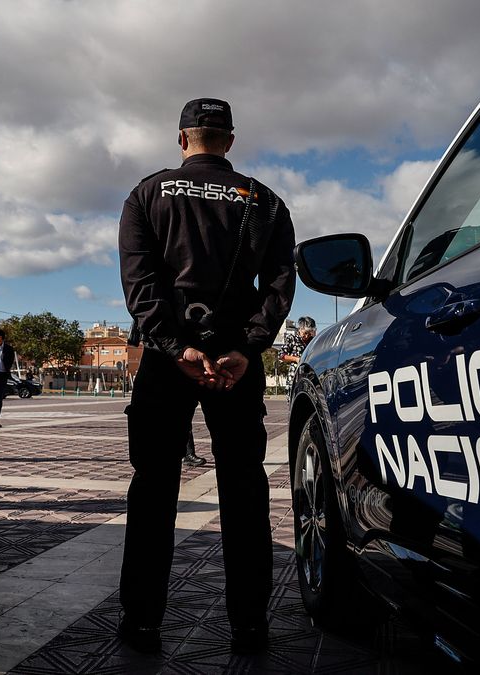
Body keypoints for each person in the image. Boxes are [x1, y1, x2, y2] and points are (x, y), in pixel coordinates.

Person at [117, 98, 296, 654]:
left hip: (169, 364)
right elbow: (280, 283)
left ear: (181, 139)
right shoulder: (262, 199)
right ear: (230, 140)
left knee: (153, 487)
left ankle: (142, 621)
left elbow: (140, 282)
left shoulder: (148, 193)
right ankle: (250, 623)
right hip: (235, 366)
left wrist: (173, 348)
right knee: (244, 487)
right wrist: (247, 347)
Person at [278, 315, 316, 389]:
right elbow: (281, 355)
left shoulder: (313, 341)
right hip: (295, 376)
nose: (307, 336)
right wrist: (296, 359)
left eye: (309, 333)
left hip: (309, 376)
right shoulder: (292, 339)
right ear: (300, 329)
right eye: (305, 333)